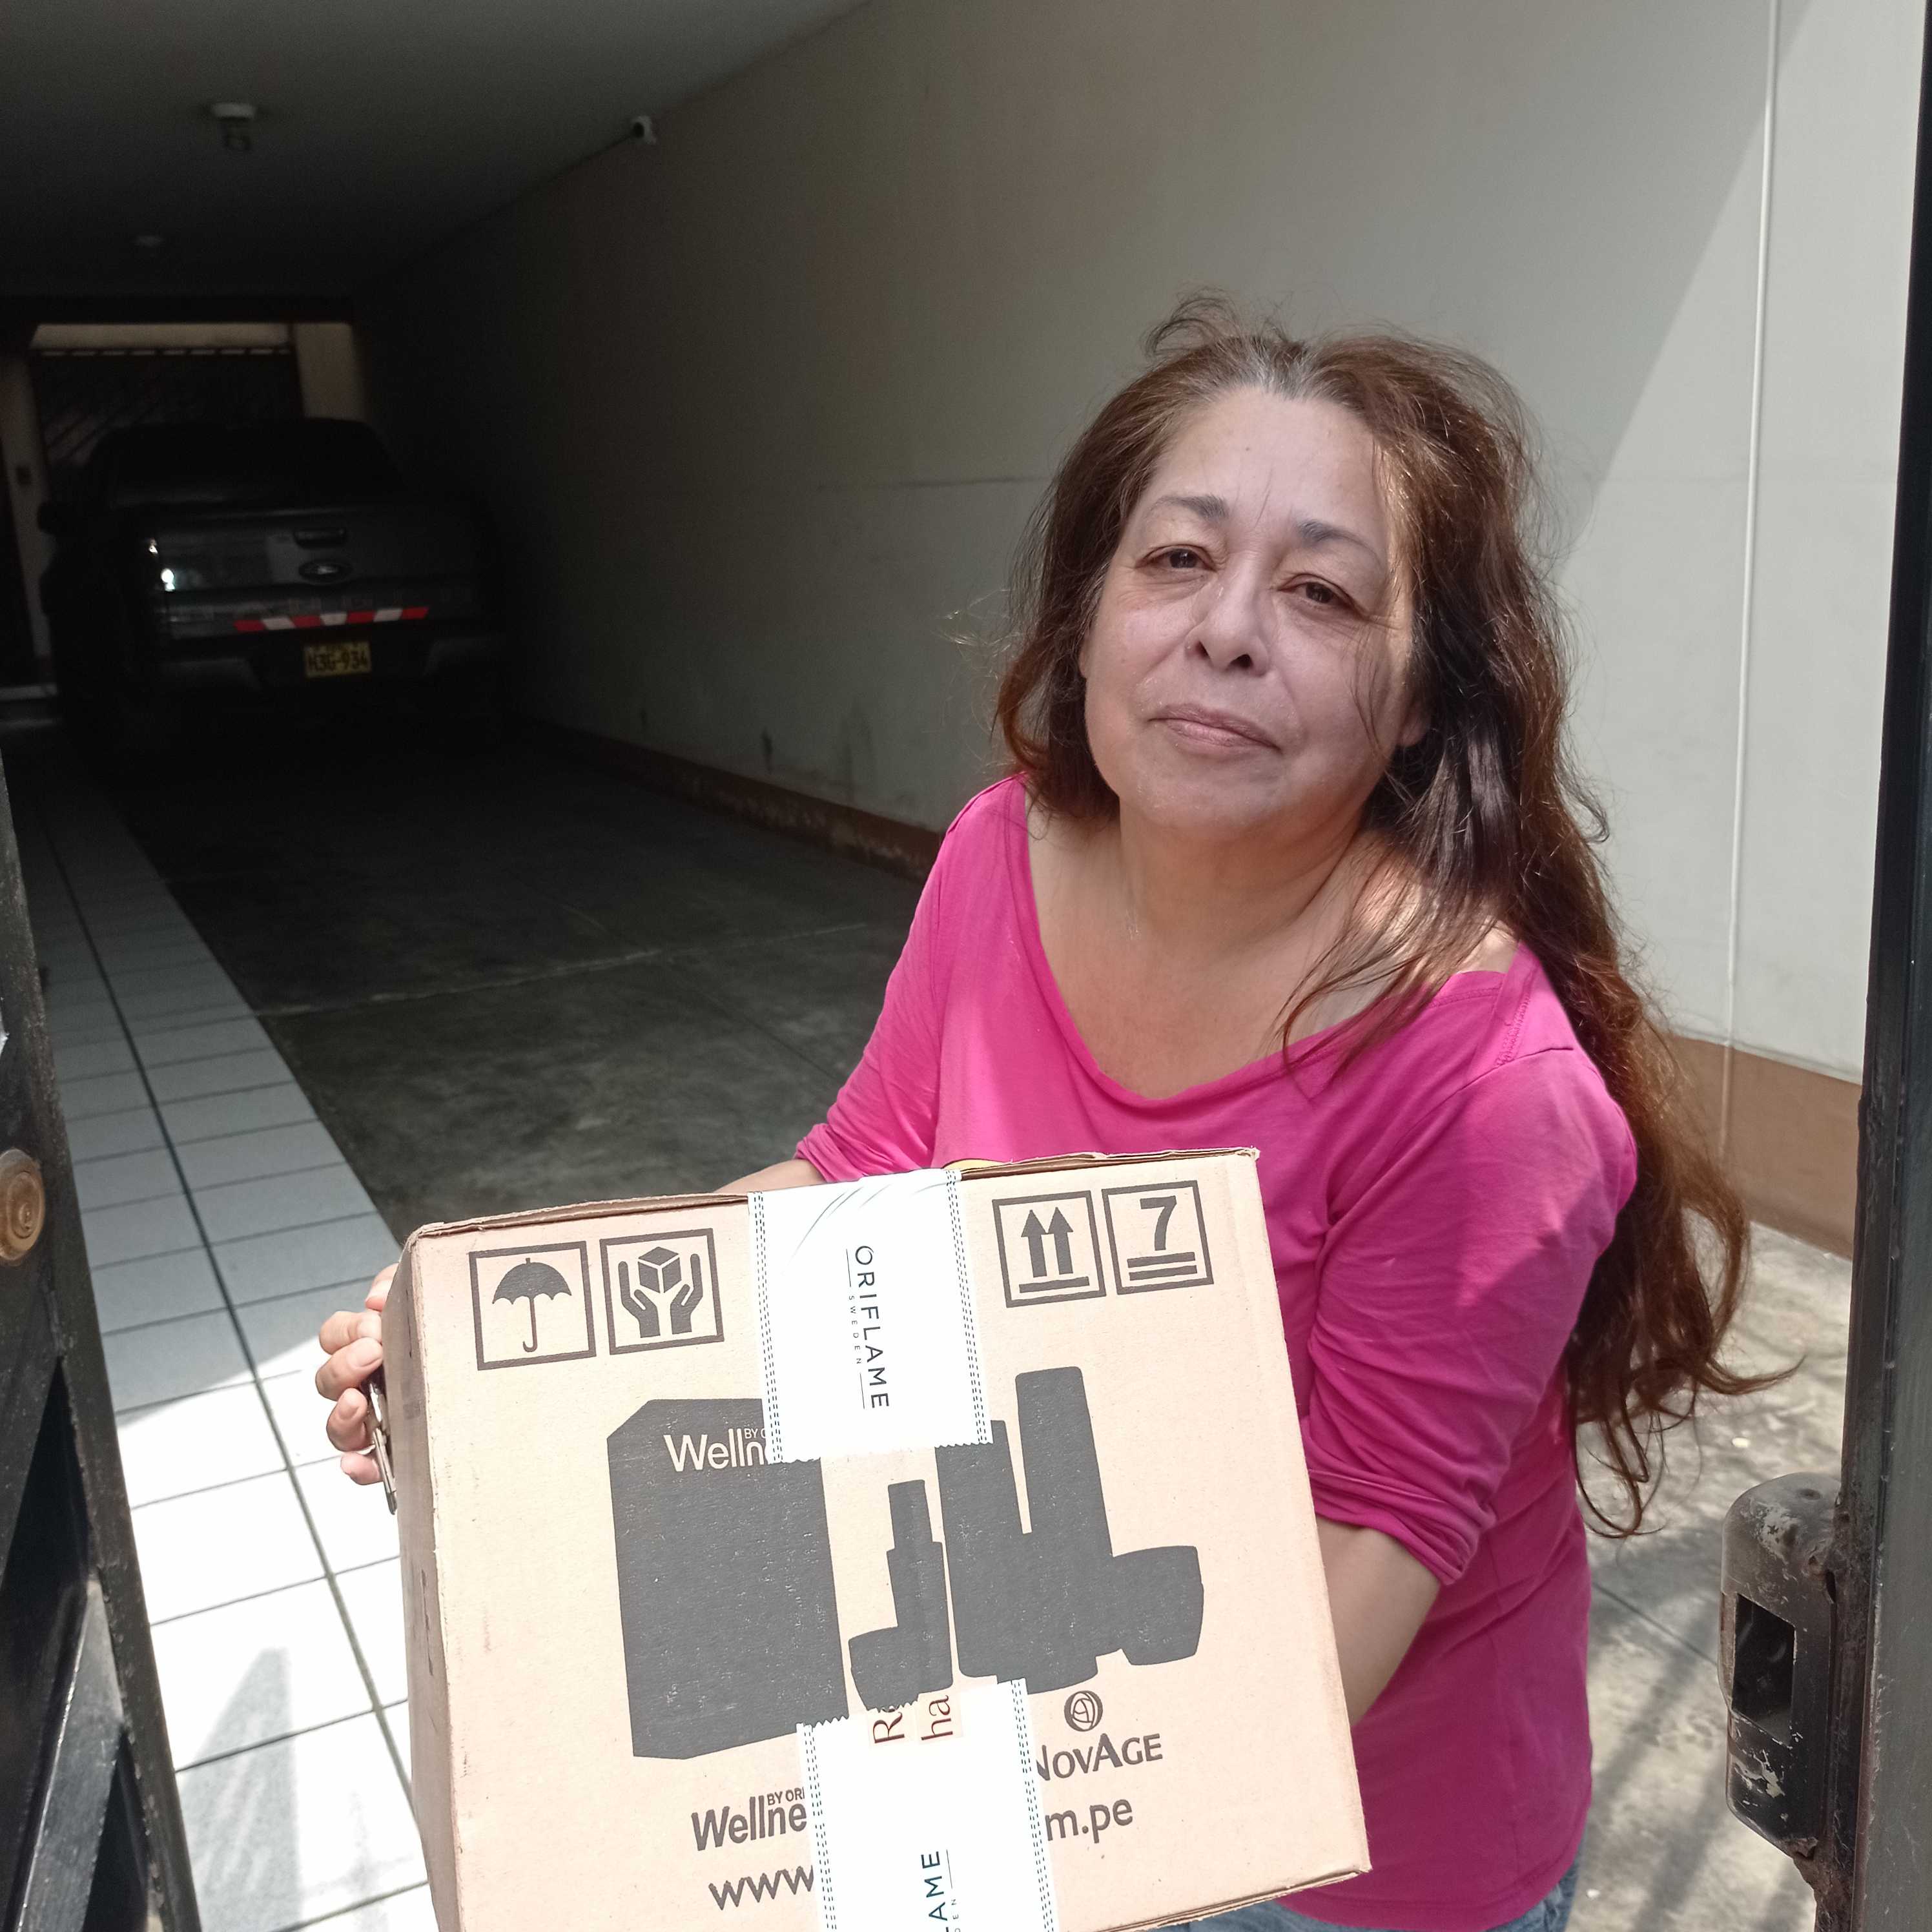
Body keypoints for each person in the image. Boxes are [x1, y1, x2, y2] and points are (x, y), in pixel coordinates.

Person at [315, 297, 1762, 1932]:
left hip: (1358, 1859)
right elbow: (859, 1171)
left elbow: (1361, 1553)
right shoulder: (998, 854)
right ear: (1085, 619)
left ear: (1421, 696)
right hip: (1045, 1718)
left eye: (1321, 591)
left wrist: (956, 1833)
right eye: (1176, 559)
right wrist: (501, 1354)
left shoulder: (1480, 1078)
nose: (1227, 630)